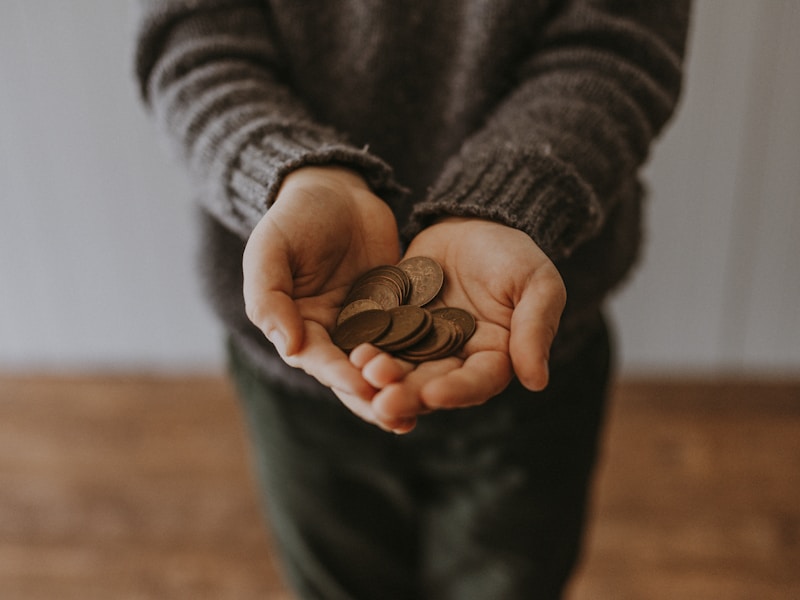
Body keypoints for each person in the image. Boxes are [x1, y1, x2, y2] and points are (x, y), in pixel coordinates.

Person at [135, 1, 690, 598]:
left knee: (515, 583)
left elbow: (616, 46)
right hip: (300, 366)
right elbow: (192, 43)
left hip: (529, 342)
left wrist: (511, 197)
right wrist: (292, 173)